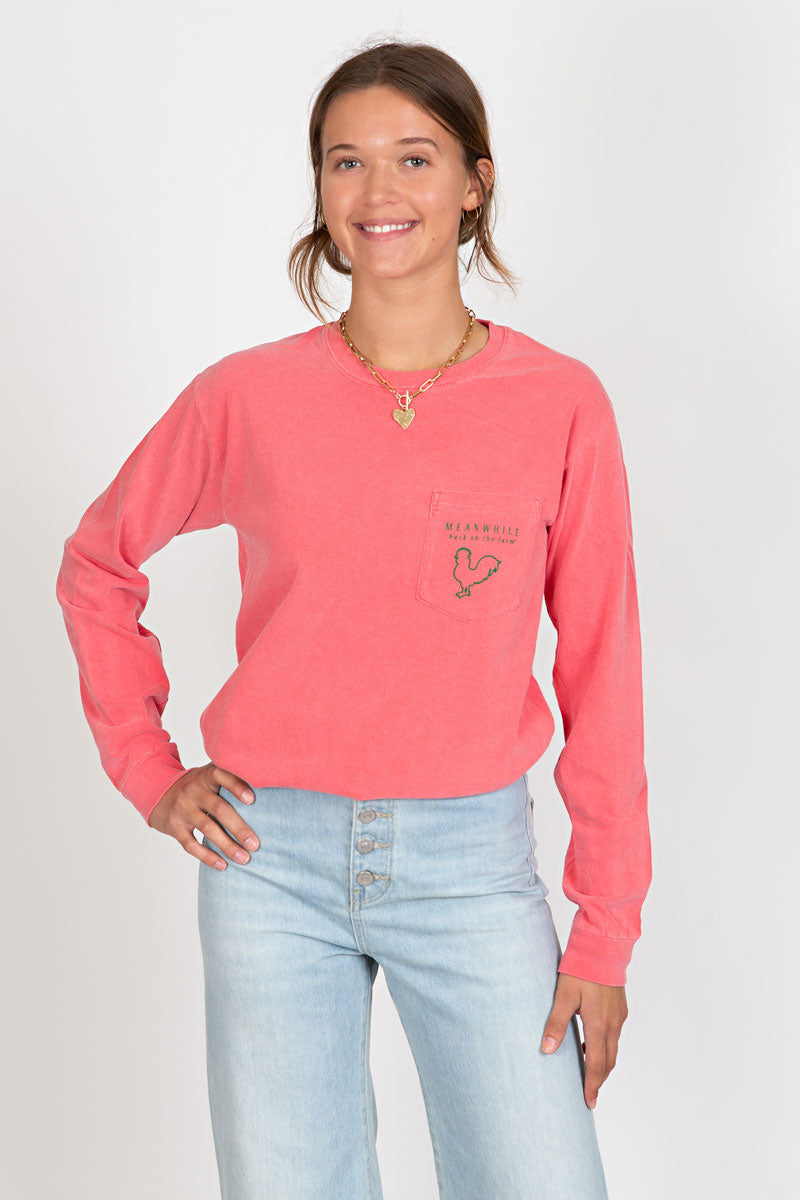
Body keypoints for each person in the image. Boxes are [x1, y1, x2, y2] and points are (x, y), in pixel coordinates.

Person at [55, 38, 652, 1200]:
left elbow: (602, 670)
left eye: (414, 158)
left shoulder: (557, 404)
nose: (379, 191)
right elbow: (97, 560)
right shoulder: (247, 396)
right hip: (264, 861)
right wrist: (146, 766)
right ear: (321, 189)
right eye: (346, 161)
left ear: (474, 181)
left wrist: (605, 931)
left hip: (471, 870)